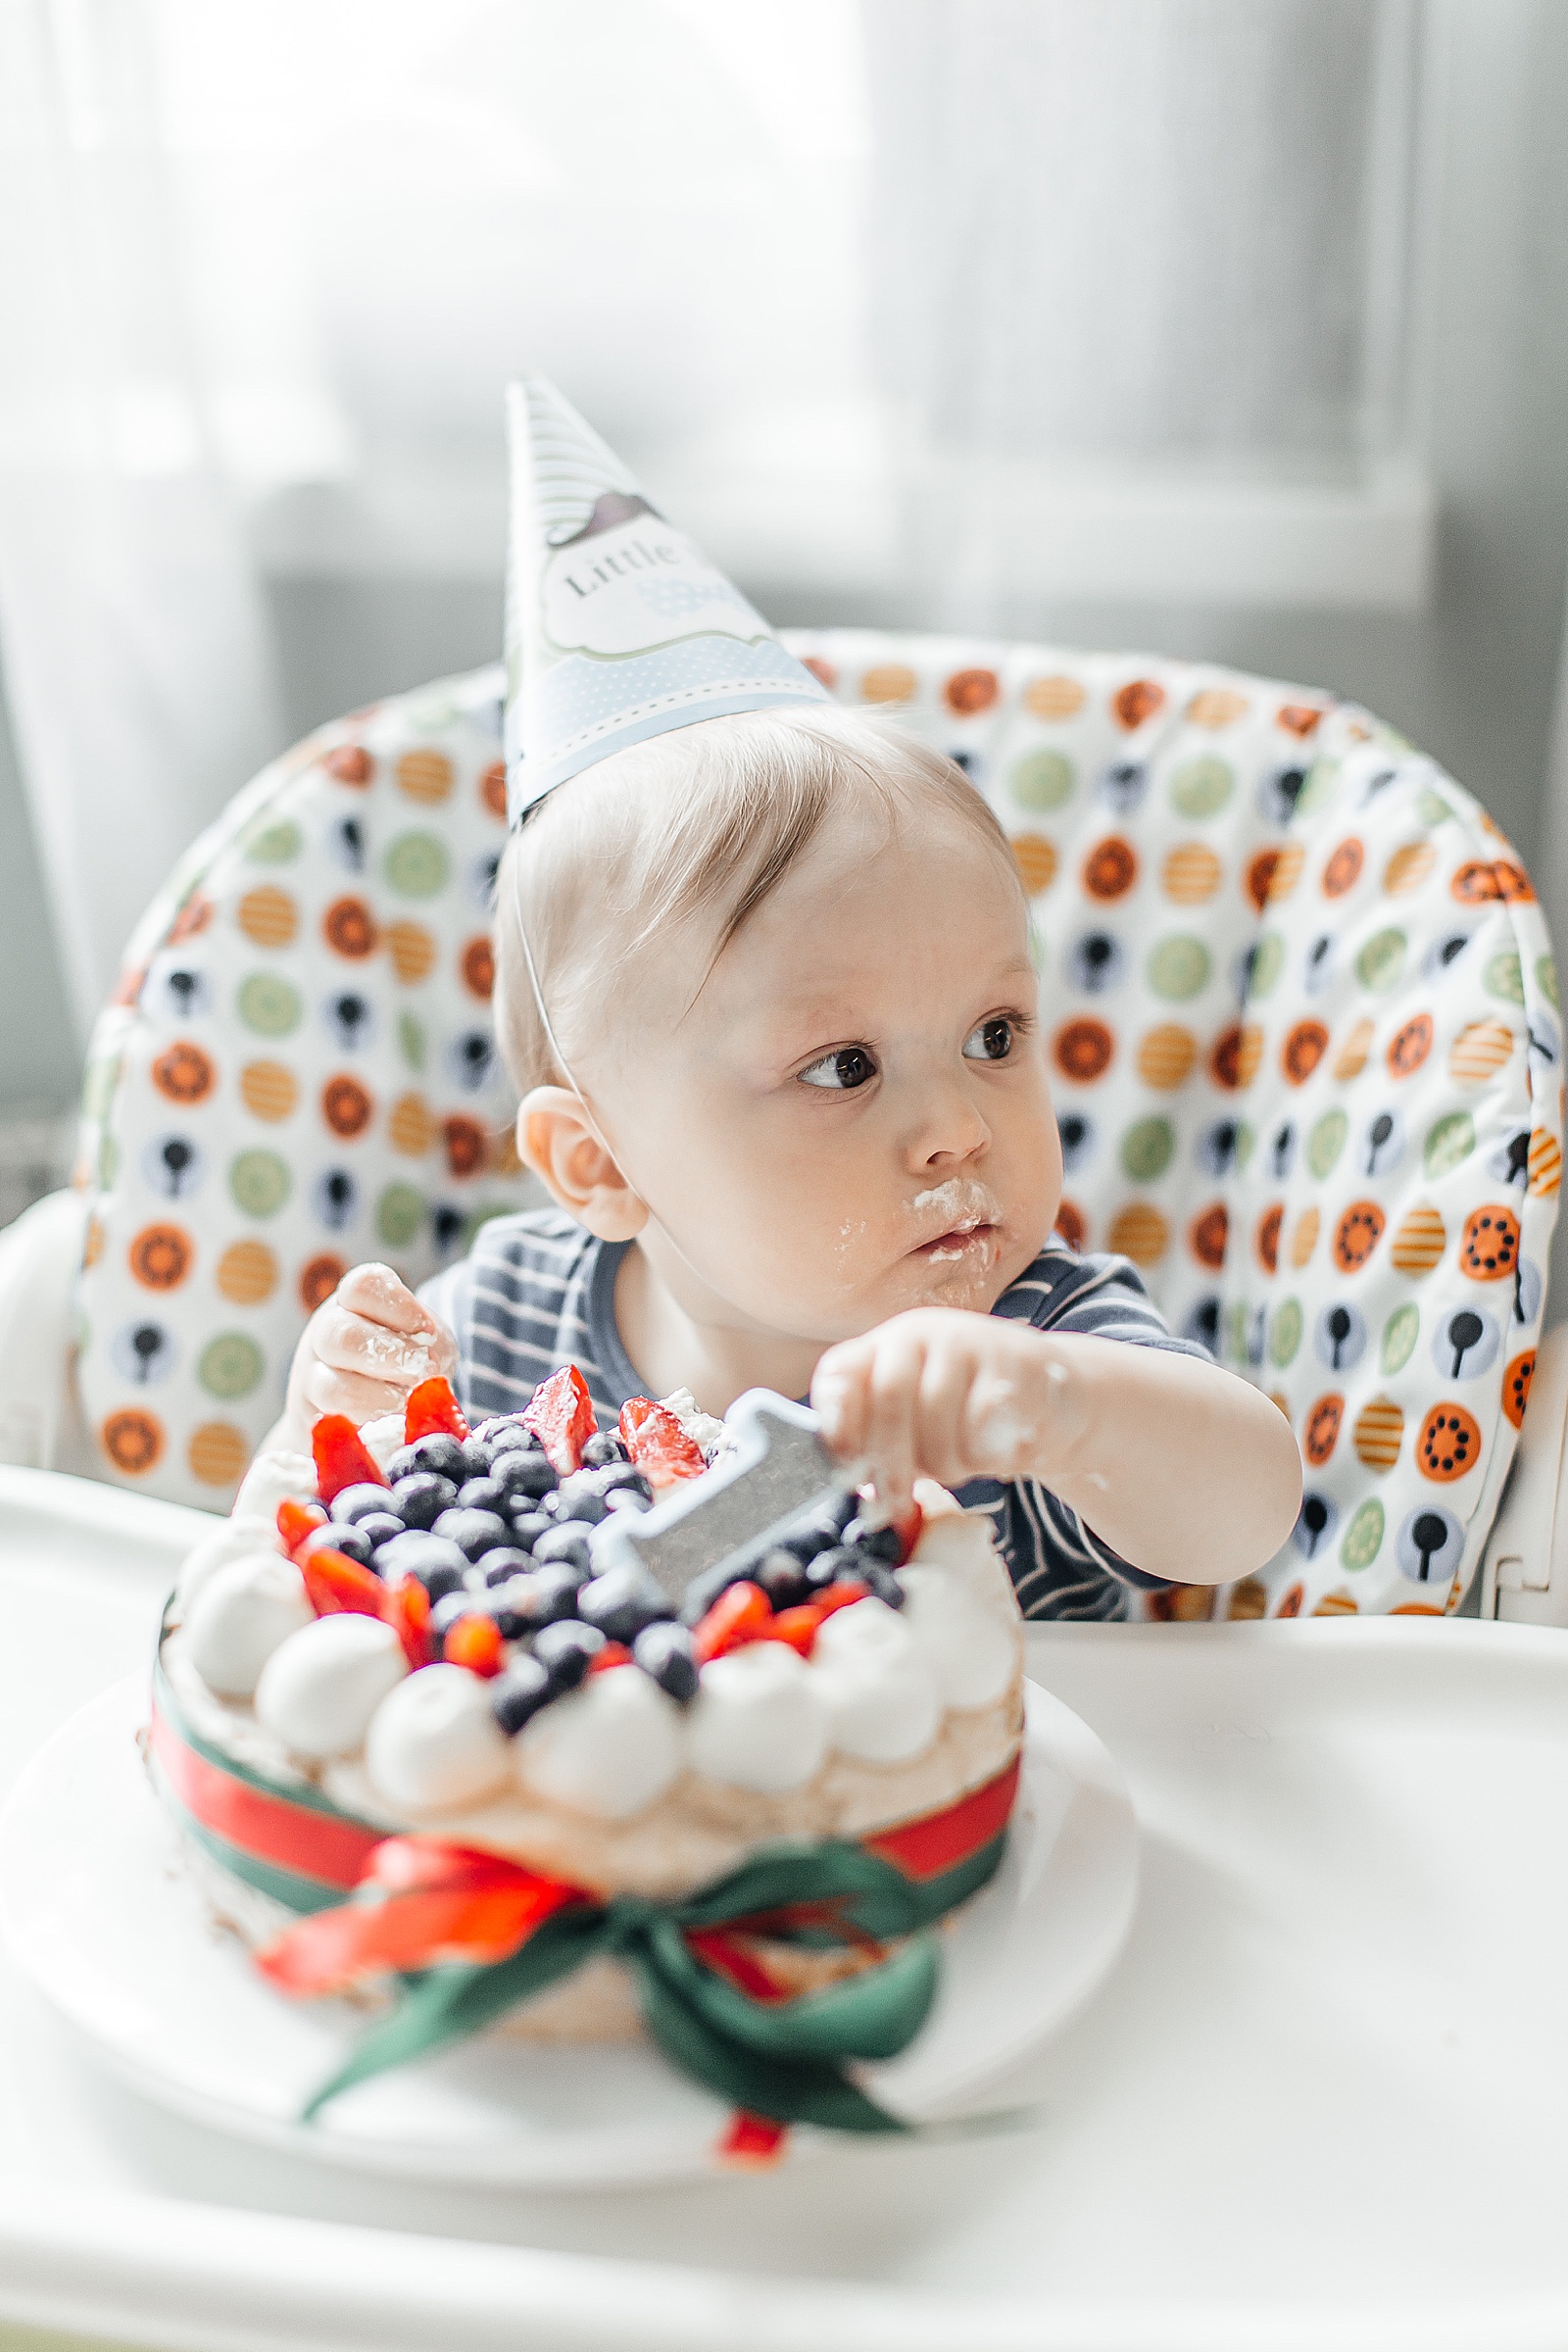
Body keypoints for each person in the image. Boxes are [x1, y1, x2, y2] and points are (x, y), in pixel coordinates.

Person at [270, 381, 1300, 1620]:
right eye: (843, 1067)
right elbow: (325, 1592)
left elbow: (1242, 1512)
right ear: (598, 1165)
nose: (958, 1129)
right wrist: (328, 1434)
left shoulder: (1022, 1329)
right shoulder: (499, 1327)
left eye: (992, 1037)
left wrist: (1057, 1411)